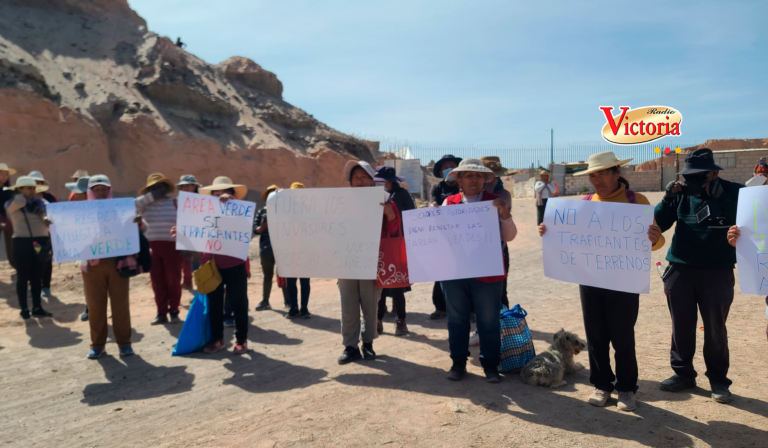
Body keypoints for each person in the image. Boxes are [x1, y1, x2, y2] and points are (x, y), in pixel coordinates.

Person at [539, 151, 665, 411]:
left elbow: (655, 244)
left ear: (617, 173)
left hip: (624, 282)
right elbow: (567, 238)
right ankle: (602, 385)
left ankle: (627, 389)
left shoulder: (636, 201)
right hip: (590, 281)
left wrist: (655, 237)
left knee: (622, 338)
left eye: (602, 173)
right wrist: (548, 232)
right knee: (596, 337)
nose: (597, 179)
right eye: (592, 174)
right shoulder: (584, 203)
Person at [656, 148, 743, 404]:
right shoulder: (681, 194)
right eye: (688, 176)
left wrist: (723, 202)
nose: (692, 181)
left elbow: (754, 224)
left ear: (714, 172)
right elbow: (658, 225)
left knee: (715, 328)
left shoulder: (735, 192)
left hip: (717, 271)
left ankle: (718, 380)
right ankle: (683, 375)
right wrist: (667, 200)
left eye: (699, 176)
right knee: (681, 326)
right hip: (681, 270)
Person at [439, 158, 517, 383]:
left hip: (488, 271)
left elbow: (509, 236)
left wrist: (505, 215)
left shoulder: (496, 202)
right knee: (456, 319)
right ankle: (458, 363)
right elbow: (440, 237)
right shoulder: (448, 204)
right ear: (459, 180)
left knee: (489, 320)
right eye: (468, 175)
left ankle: (490, 365)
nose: (474, 178)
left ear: (484, 179)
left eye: (478, 175)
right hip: (455, 272)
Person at [175, 176, 251, 355]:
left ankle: (241, 340)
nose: (220, 197)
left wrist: (230, 203)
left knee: (239, 303)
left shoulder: (239, 211)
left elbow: (246, 227)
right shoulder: (205, 214)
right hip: (211, 266)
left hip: (235, 263)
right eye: (215, 194)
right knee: (215, 304)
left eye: (224, 193)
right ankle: (218, 339)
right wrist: (181, 233)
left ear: (232, 195)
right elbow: (198, 235)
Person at [337, 160, 400, 364]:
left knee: (370, 306)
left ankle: (368, 344)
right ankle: (350, 347)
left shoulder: (384, 200)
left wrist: (389, 214)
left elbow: (394, 230)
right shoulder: (339, 200)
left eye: (364, 176)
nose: (360, 181)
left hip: (372, 262)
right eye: (355, 177)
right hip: (346, 262)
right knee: (348, 306)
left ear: (372, 180)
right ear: (351, 182)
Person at [81, 175, 142, 359]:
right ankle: (97, 346)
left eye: (103, 189)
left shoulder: (120, 209)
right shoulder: (81, 212)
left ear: (109, 190)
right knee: (95, 306)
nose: (100, 192)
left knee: (120, 305)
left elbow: (140, 229)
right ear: (90, 192)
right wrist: (51, 225)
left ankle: (124, 344)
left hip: (118, 263)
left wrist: (139, 223)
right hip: (91, 265)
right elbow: (67, 233)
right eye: (96, 189)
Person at [136, 173, 183, 325]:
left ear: (166, 188)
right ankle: (161, 312)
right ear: (149, 190)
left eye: (161, 186)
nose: (158, 189)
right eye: (154, 187)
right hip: (151, 248)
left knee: (174, 280)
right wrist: (150, 197)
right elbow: (130, 206)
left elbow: (186, 222)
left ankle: (174, 311)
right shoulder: (144, 205)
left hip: (173, 247)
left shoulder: (176, 203)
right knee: (157, 281)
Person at [374, 166, 415, 336]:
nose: (379, 184)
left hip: (398, 244)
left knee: (397, 285)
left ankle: (401, 321)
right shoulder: (382, 195)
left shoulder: (401, 195)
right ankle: (378, 320)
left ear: (389, 181)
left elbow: (411, 217)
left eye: (382, 181)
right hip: (381, 244)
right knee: (380, 285)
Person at [4, 176, 53, 319]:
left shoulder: (41, 203)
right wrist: (21, 196)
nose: (32, 191)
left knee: (37, 276)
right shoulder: (15, 202)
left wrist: (48, 220)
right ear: (20, 189)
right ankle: (24, 308)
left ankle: (37, 307)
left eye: (33, 188)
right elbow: (12, 206)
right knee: (23, 276)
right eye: (28, 188)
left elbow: (49, 216)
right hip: (22, 242)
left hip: (40, 242)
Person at [429, 155, 462, 320]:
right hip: (442, 236)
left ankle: (467, 309)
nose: (449, 169)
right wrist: (433, 206)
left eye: (452, 166)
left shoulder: (463, 187)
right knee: (442, 271)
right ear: (441, 172)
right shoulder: (437, 188)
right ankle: (440, 307)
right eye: (445, 167)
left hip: (463, 235)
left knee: (464, 271)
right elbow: (433, 203)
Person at [482, 156, 514, 309]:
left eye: (491, 173)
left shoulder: (503, 194)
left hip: (498, 247)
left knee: (499, 290)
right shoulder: (476, 193)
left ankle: (504, 326)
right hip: (477, 246)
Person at [284, 182, 313, 319]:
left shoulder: (309, 211)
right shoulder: (284, 209)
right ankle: (294, 308)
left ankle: (304, 308)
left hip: (305, 251)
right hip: (289, 251)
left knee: (304, 282)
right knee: (290, 282)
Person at [64, 176, 91, 321]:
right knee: (87, 279)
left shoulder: (104, 208)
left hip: (103, 252)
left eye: (80, 192)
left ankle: (98, 308)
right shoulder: (76, 209)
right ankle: (89, 307)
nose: (77, 195)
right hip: (84, 252)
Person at [29, 171, 57, 297]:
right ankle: (34, 286)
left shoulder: (50, 198)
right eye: (34, 182)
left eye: (38, 182)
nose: (36, 184)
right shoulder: (25, 200)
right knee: (33, 260)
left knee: (46, 259)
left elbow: (57, 214)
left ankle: (46, 287)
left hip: (47, 235)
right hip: (31, 235)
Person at [254, 184, 280, 311]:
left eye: (274, 194)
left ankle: (288, 301)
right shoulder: (261, 211)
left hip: (281, 248)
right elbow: (255, 230)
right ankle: (265, 300)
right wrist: (262, 227)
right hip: (266, 248)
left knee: (283, 275)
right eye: (270, 194)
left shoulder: (284, 209)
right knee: (267, 275)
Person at [176, 175, 202, 290]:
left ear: (194, 186)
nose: (186, 188)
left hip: (200, 235)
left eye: (189, 185)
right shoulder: (178, 201)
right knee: (185, 259)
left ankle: (200, 288)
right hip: (184, 234)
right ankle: (187, 282)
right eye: (183, 186)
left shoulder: (204, 200)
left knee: (199, 262)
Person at [0, 163, 17, 269]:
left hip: (8, 220)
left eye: (6, 174)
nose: (5, 177)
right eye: (2, 174)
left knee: (11, 244)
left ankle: (15, 265)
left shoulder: (10, 190)